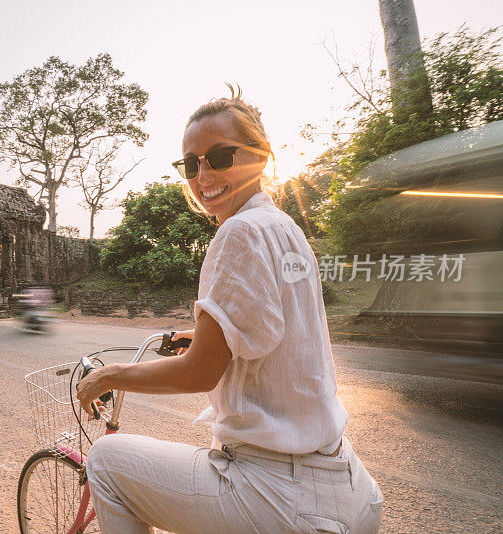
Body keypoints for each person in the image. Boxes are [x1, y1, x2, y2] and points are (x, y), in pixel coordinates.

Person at [76, 86, 383, 534]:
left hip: (278, 492)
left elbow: (198, 375)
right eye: (190, 163)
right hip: (345, 485)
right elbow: (278, 322)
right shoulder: (284, 228)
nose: (203, 175)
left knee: (105, 460)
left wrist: (108, 375)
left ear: (259, 157)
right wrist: (203, 333)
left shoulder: (238, 233)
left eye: (219, 157)